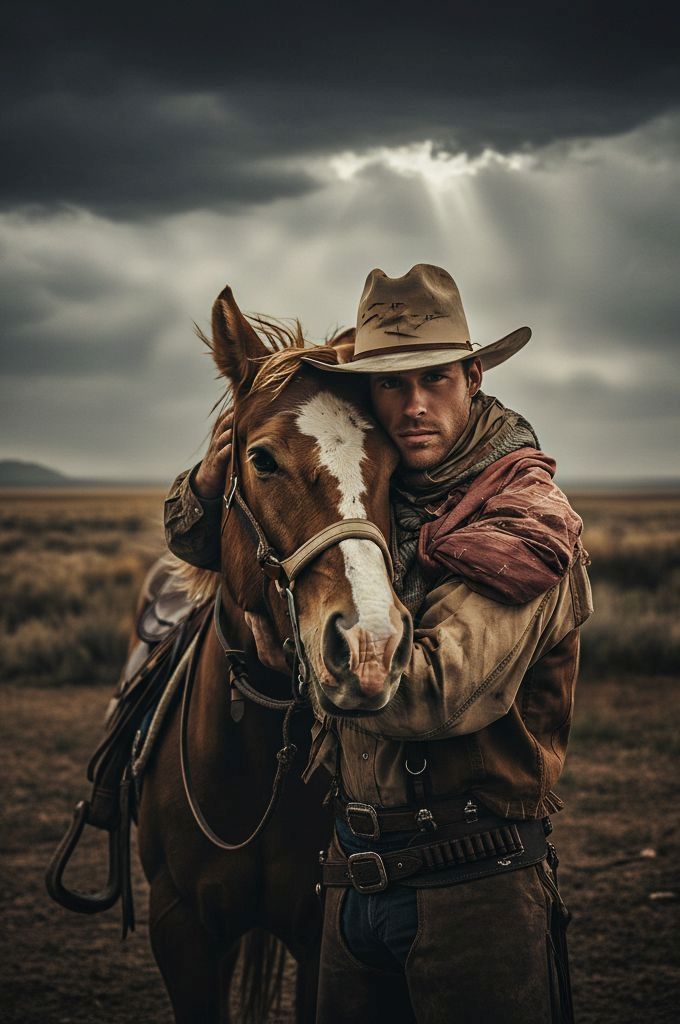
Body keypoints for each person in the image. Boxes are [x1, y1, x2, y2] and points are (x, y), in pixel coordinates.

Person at [164, 264, 592, 1023]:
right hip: (353, 881)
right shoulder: (388, 485)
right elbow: (244, 528)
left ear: (474, 373)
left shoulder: (525, 518)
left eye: (434, 377)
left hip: (472, 888)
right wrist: (214, 474)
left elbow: (426, 693)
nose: (414, 404)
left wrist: (296, 635)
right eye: (392, 385)